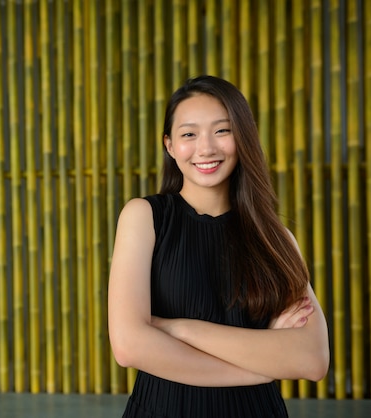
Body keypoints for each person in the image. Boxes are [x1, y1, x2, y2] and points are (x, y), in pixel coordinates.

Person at [108, 75, 330, 417]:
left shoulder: (277, 238)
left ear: (243, 138)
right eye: (189, 134)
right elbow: (129, 347)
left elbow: (312, 359)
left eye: (222, 131)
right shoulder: (144, 218)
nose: (206, 148)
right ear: (169, 145)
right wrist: (261, 367)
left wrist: (177, 328)